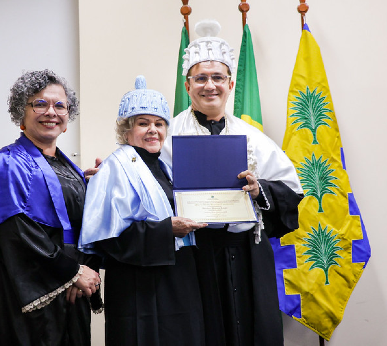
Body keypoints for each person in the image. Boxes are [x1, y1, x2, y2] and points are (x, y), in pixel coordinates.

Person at [160, 20, 304, 346]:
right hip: (191, 256)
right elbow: (147, 189)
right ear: (187, 86)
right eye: (200, 78)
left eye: (217, 78)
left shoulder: (253, 138)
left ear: (230, 84)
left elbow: (292, 191)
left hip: (245, 256)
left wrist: (260, 189)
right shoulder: (167, 135)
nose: (209, 85)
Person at [0, 69, 102, 346]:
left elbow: (79, 225)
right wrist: (70, 272)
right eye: (40, 104)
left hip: (69, 290)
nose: (51, 112)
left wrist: (97, 189)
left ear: (68, 119)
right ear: (21, 114)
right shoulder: (6, 164)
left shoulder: (70, 170)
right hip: (23, 294)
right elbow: (15, 232)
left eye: (60, 105)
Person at [79, 75, 208, 346]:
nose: (153, 130)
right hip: (138, 289)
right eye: (143, 123)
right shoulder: (114, 168)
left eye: (159, 124)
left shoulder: (167, 168)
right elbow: (110, 238)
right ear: (126, 131)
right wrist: (166, 229)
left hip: (178, 283)